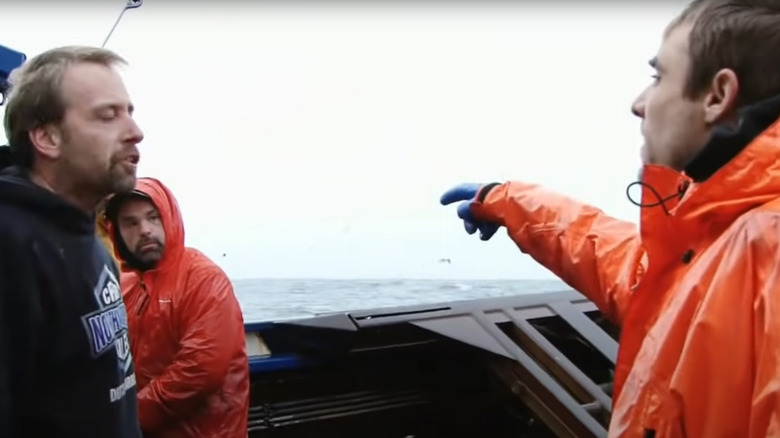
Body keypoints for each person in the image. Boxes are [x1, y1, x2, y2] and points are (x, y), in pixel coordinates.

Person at [441, 0, 780, 436]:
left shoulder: (767, 246)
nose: (639, 104)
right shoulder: (726, 236)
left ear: (717, 96)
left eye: (659, 77)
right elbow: (639, 272)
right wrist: (512, 201)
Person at [0, 46, 144, 437]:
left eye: (129, 112)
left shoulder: (91, 237)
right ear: (47, 137)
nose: (135, 131)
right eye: (107, 115)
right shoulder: (11, 247)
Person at [104, 177, 249, 438]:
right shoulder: (122, 286)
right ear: (117, 232)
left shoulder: (203, 279)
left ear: (170, 218)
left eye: (153, 217)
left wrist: (126, 418)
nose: (145, 230)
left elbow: (199, 372)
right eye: (131, 223)